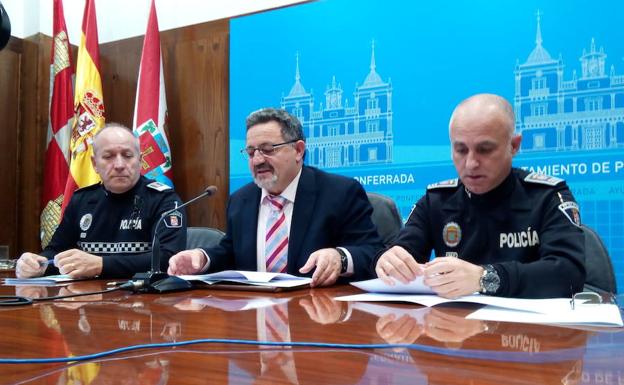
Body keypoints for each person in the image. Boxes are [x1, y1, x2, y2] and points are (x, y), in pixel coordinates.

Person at [375, 94, 585, 298]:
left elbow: (568, 274)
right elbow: (403, 253)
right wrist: (389, 261)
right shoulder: (436, 201)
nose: (471, 164)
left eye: (485, 150)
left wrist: (483, 278)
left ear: (514, 146)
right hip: (452, 328)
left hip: (527, 330)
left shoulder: (547, 196)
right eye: (461, 150)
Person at [168, 108, 383, 287]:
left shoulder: (340, 192)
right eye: (251, 153)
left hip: (319, 316)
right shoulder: (241, 200)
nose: (258, 160)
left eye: (268, 149)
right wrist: (202, 259)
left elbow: (373, 253)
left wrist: (341, 257)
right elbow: (231, 253)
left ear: (298, 150)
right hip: (255, 319)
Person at [16, 123, 186, 279]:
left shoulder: (163, 199)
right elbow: (57, 250)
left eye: (127, 156)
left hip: (144, 301)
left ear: (140, 161)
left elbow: (169, 258)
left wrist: (101, 265)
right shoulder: (81, 200)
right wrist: (39, 263)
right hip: (85, 300)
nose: (119, 164)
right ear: (94, 163)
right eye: (108, 156)